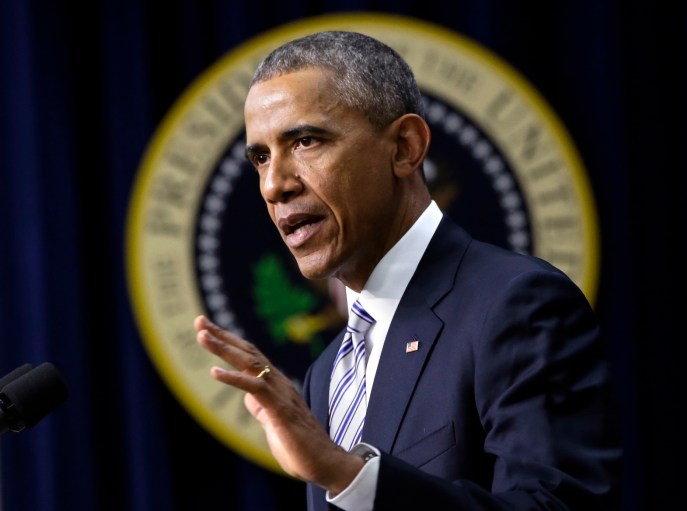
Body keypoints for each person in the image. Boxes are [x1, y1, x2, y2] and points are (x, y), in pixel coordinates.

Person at [194, 30, 622, 510]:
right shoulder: (326, 372)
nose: (274, 185)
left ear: (405, 147)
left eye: (306, 141)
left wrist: (347, 474)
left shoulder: (516, 304)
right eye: (261, 157)